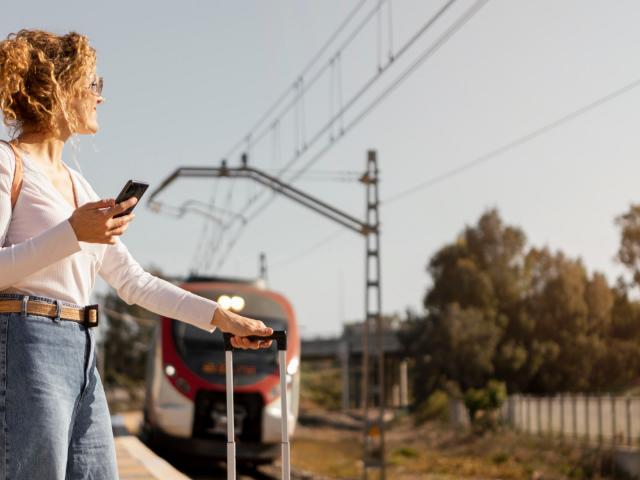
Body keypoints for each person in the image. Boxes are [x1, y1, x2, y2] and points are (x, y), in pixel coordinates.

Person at [0, 29, 273, 479]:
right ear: (57, 87)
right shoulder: (9, 164)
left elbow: (134, 282)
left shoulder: (77, 185)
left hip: (82, 349)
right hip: (26, 344)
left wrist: (222, 318)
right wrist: (73, 232)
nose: (100, 97)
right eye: (92, 84)